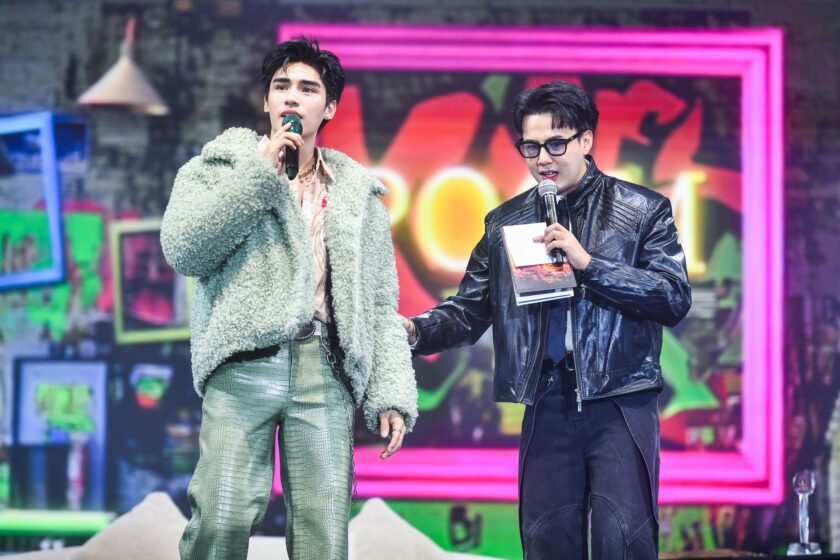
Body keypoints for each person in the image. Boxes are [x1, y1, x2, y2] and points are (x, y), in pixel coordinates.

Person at [403, 81, 690, 559]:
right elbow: (470, 310)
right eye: (531, 147)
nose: (543, 160)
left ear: (586, 140)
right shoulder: (507, 222)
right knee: (546, 540)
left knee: (623, 539)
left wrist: (590, 265)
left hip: (620, 398)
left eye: (556, 144)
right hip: (548, 399)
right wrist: (415, 331)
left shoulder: (642, 210)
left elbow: (672, 297)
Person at [161, 37, 418, 560]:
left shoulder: (356, 193)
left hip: (325, 370)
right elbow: (184, 249)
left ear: (330, 107)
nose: (292, 97)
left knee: (324, 532)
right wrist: (259, 176)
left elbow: (378, 303)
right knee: (222, 516)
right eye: (281, 87)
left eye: (307, 88)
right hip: (243, 365)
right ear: (266, 102)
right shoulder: (218, 170)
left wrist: (390, 392)